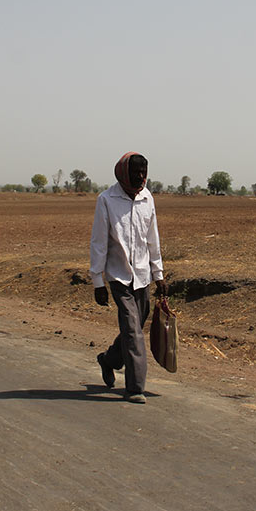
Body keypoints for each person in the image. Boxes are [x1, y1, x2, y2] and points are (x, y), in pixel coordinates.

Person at [89, 152, 168, 403]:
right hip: (118, 277)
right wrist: (97, 282)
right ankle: (135, 388)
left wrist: (159, 274)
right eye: (136, 173)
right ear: (123, 174)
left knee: (131, 328)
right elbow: (99, 243)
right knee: (133, 332)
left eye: (144, 173)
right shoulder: (106, 200)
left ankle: (109, 359)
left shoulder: (147, 199)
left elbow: (152, 240)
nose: (141, 178)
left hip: (142, 277)